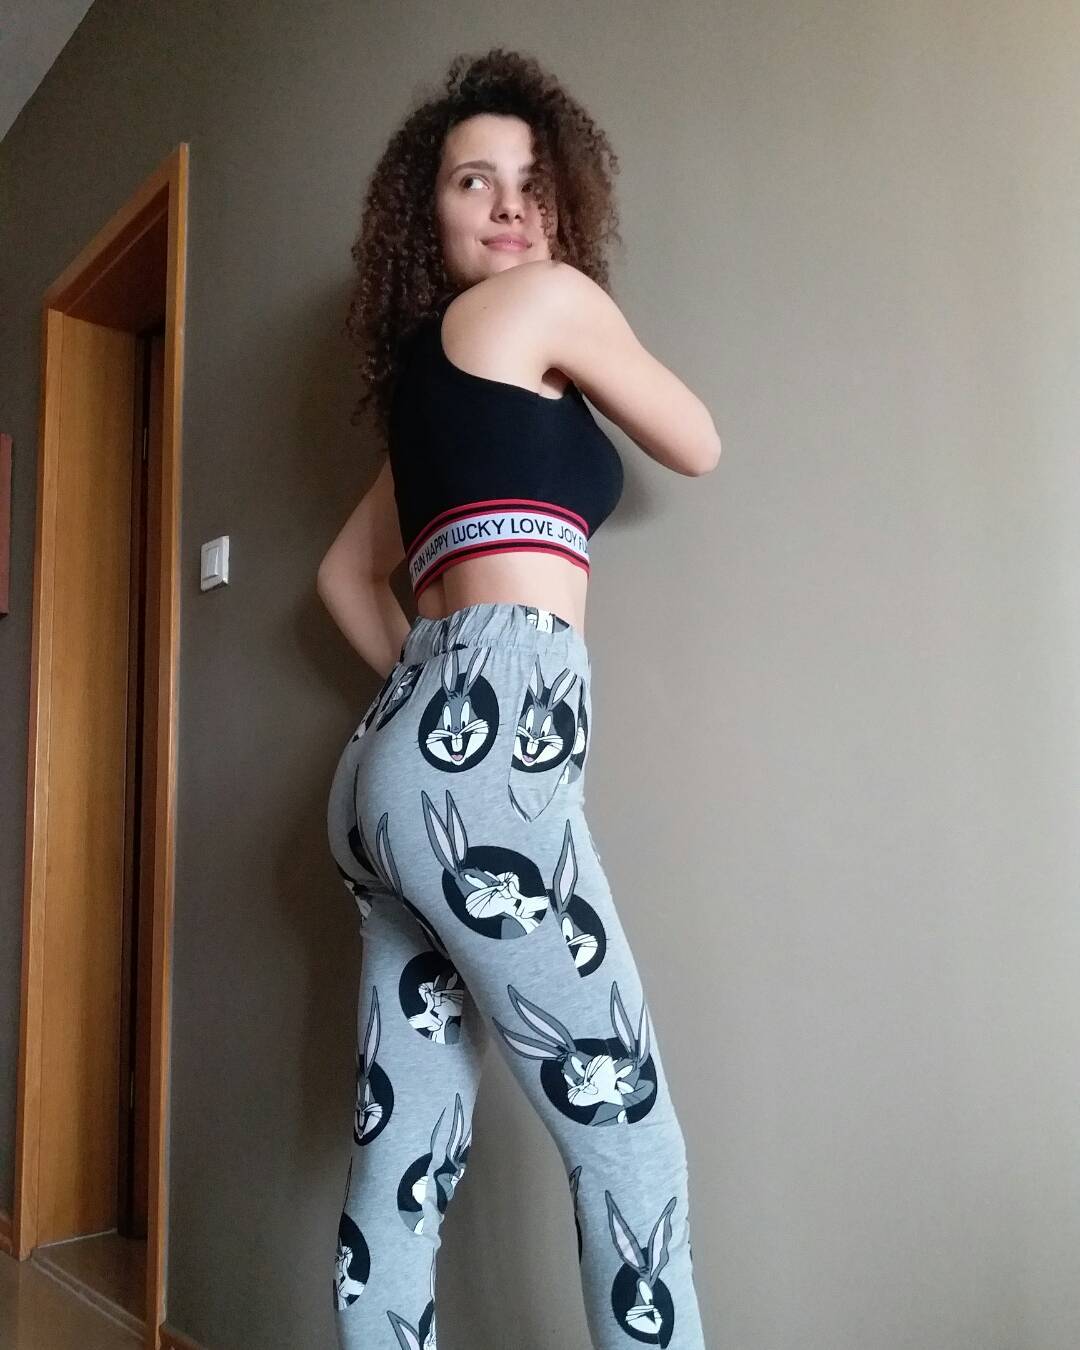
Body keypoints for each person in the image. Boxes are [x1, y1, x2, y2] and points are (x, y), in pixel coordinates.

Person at [319, 48, 720, 1350]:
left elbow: (341, 576)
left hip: (387, 774)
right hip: (484, 767)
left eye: (532, 182)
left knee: (407, 1158)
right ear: (426, 217)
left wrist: (429, 720)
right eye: (471, 181)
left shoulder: (423, 401)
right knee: (631, 1142)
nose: (508, 204)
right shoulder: (546, 301)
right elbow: (698, 441)